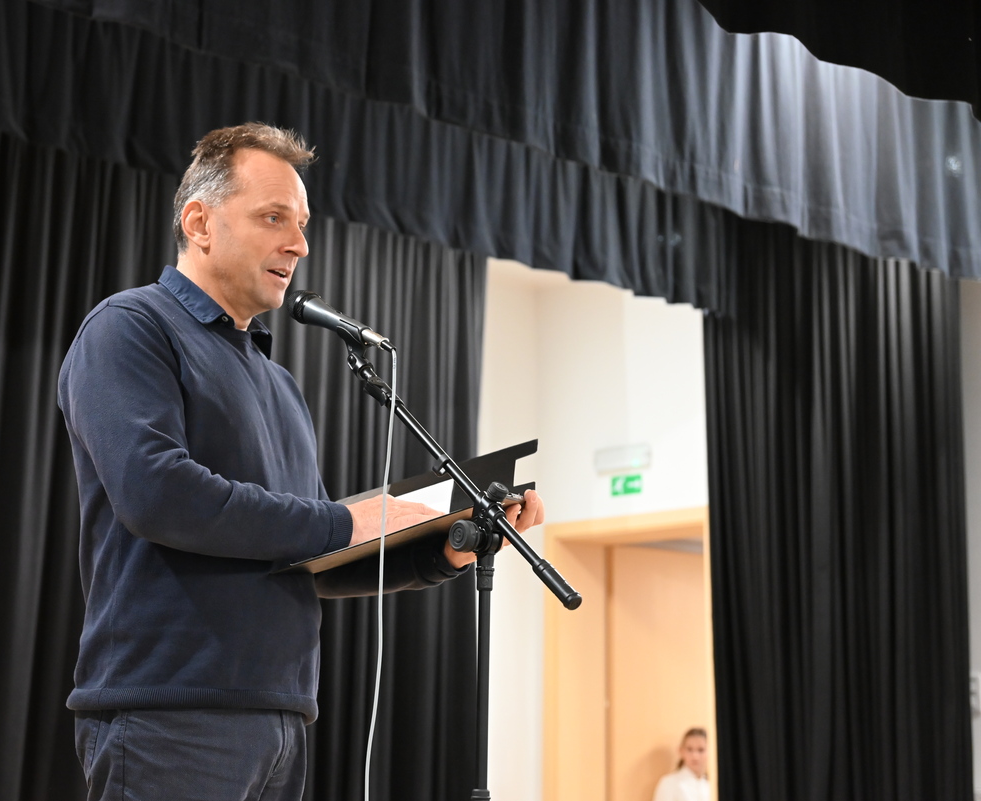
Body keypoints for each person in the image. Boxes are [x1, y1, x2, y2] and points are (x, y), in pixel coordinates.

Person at [57, 122, 544, 801]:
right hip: (170, 713)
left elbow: (310, 555)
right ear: (199, 222)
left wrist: (443, 549)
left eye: (303, 224)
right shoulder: (130, 327)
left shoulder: (279, 384)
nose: (299, 244)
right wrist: (348, 522)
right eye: (274, 217)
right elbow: (157, 494)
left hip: (281, 719)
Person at [652, 727, 711, 801]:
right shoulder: (669, 783)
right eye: (689, 749)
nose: (695, 756)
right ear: (681, 751)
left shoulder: (707, 785)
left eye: (701, 750)